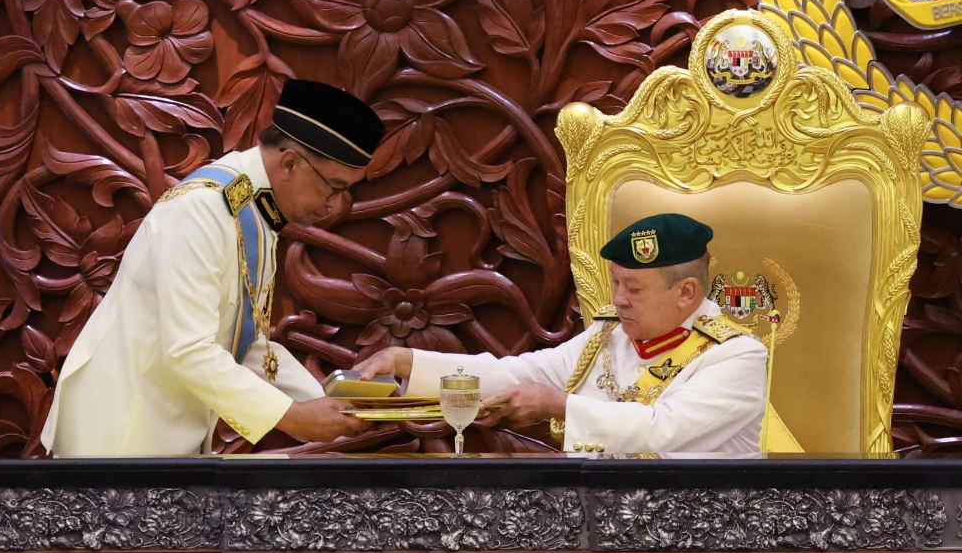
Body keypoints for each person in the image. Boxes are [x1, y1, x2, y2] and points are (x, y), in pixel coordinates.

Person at [42, 80, 385, 456]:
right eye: (333, 187)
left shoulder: (252, 206)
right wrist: (292, 416)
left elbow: (246, 343)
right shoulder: (202, 210)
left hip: (159, 435)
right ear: (289, 163)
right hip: (121, 436)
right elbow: (189, 349)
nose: (334, 205)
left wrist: (324, 401)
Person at [355, 214, 768, 454]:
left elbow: (661, 431)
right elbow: (520, 375)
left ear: (686, 293)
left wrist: (558, 405)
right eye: (616, 283)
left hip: (700, 541)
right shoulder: (609, 336)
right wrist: (410, 362)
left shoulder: (734, 356)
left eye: (634, 289)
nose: (619, 299)